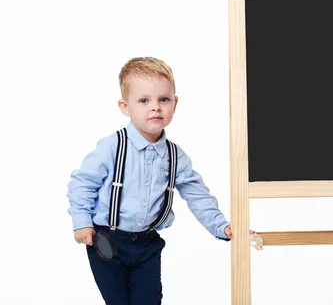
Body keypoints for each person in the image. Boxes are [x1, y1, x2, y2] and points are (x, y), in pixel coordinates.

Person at [67, 56, 247, 304]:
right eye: (144, 100)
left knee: (149, 300)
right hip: (107, 241)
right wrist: (81, 222)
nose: (155, 107)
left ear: (175, 103)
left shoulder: (176, 157)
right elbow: (82, 182)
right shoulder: (112, 146)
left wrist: (221, 226)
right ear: (125, 107)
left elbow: (197, 195)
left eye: (163, 99)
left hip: (147, 244)